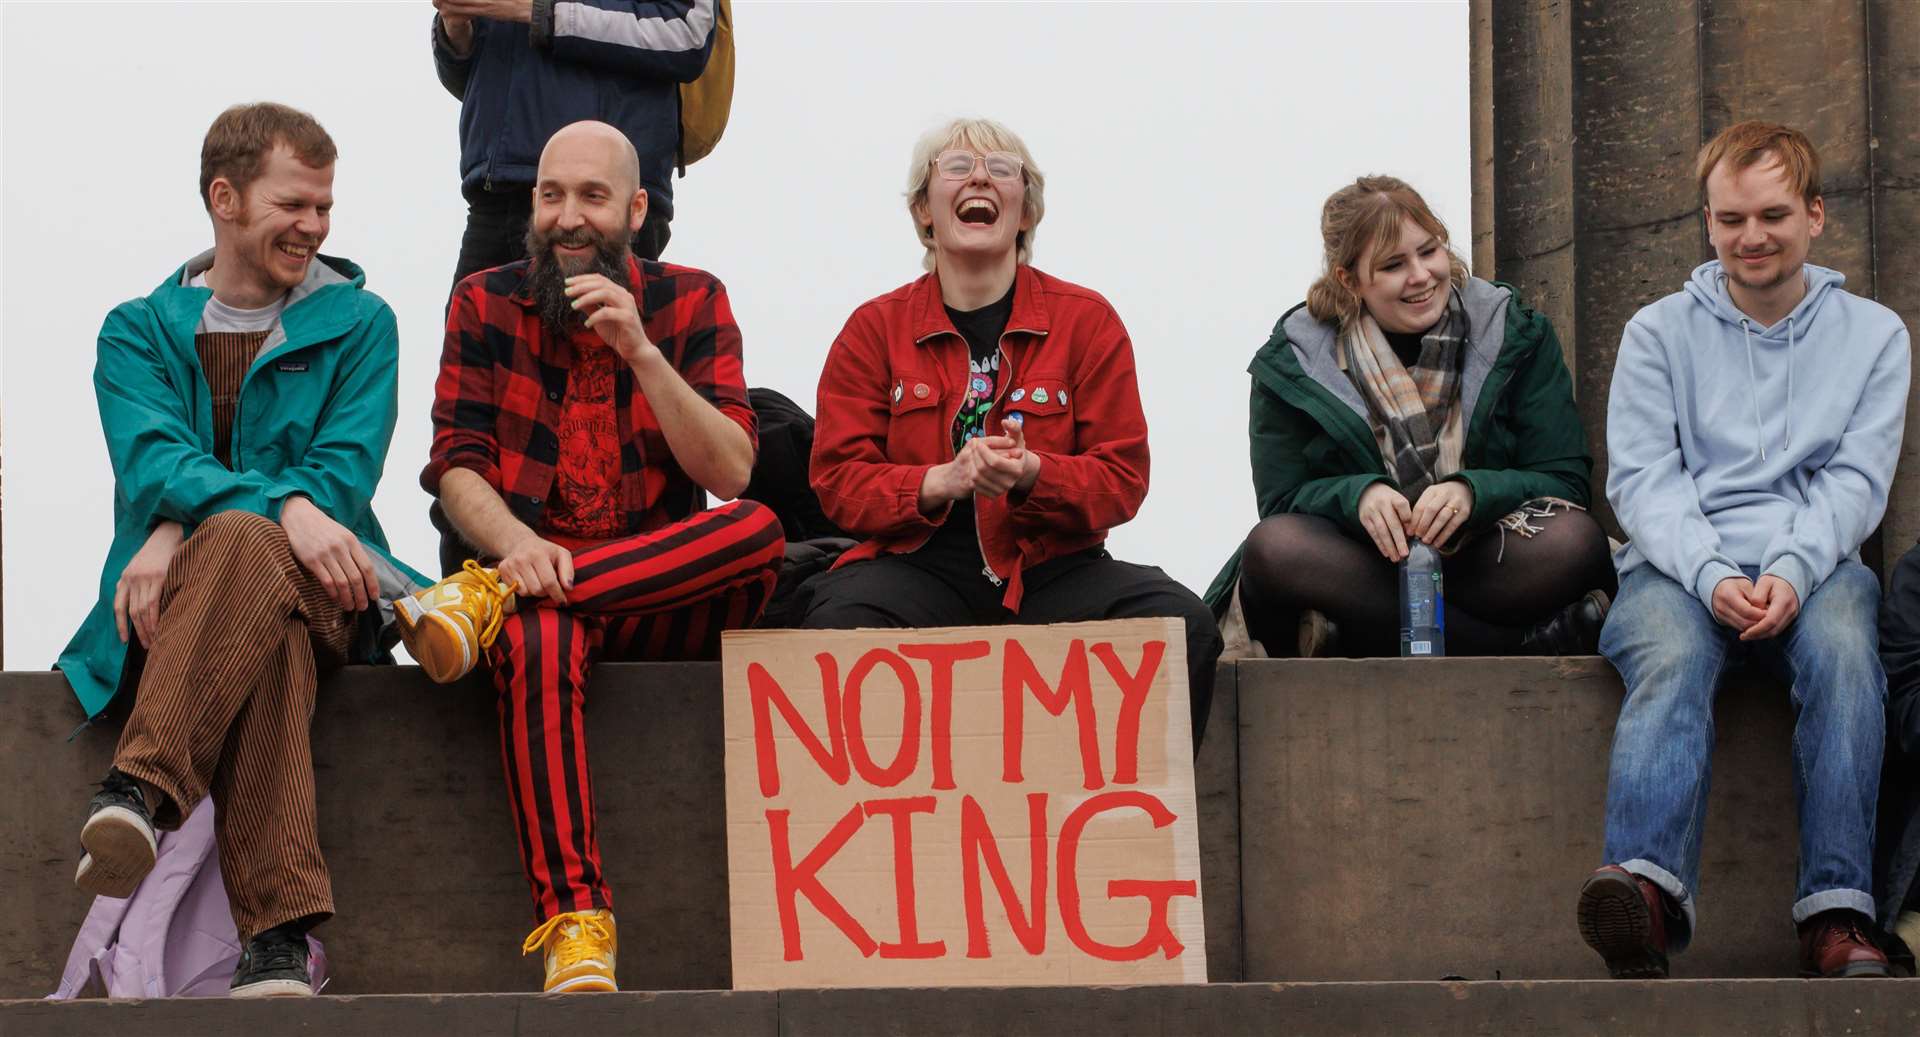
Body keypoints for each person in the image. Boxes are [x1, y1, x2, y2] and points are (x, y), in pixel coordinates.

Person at [398, 120, 783, 993]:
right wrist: (518, 547)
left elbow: (728, 471)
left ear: (638, 210)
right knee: (535, 639)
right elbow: (455, 466)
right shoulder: (484, 302)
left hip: (665, 592)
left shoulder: (693, 299)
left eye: (592, 197)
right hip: (538, 586)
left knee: (759, 528)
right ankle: (576, 926)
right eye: (550, 195)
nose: (568, 218)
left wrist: (642, 351)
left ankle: (483, 598)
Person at [55, 102, 425, 997]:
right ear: (224, 197)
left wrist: (191, 512)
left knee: (256, 550)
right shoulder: (135, 331)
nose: (314, 227)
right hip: (179, 605)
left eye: (324, 208)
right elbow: (150, 459)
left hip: (329, 580)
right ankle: (277, 939)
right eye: (294, 205)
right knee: (266, 608)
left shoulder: (361, 323)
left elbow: (341, 477)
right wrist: (264, 506)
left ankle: (140, 788)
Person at [1578, 120, 1909, 980]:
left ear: (1815, 215)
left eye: (1770, 215)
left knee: (1844, 649)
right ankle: (1642, 895)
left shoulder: (1876, 336)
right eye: (1729, 218)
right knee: (1673, 652)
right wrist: (1713, 572)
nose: (1750, 237)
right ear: (1709, 221)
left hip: (1820, 564)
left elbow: (1856, 485)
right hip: (1677, 566)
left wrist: (1792, 574)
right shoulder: (1657, 332)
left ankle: (1838, 915)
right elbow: (1644, 480)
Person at [795, 117, 1221, 744]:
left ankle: (1121, 833)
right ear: (924, 212)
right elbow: (836, 480)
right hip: (918, 571)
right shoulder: (872, 330)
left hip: (1053, 571)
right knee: (833, 625)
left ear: (1026, 212)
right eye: (958, 168)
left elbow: (1124, 479)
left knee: (1184, 623)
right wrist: (941, 480)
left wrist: (1033, 475)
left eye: (1001, 170)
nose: (980, 180)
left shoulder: (1088, 322)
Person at [1204, 176, 1613, 658]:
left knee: (1576, 540)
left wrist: (1473, 491)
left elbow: (1563, 481)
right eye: (1394, 265)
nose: (1421, 275)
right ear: (1349, 280)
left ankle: (1361, 636)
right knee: (1273, 550)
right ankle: (1518, 645)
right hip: (1369, 563)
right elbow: (1282, 501)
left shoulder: (1516, 333)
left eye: (1429, 251)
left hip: (1483, 552)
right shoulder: (1293, 360)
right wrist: (1359, 495)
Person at [430, 0, 720, 284]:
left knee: (610, 331)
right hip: (496, 192)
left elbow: (688, 30)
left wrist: (535, 11)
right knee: (469, 329)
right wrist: (456, 29)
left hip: (606, 198)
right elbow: (469, 79)